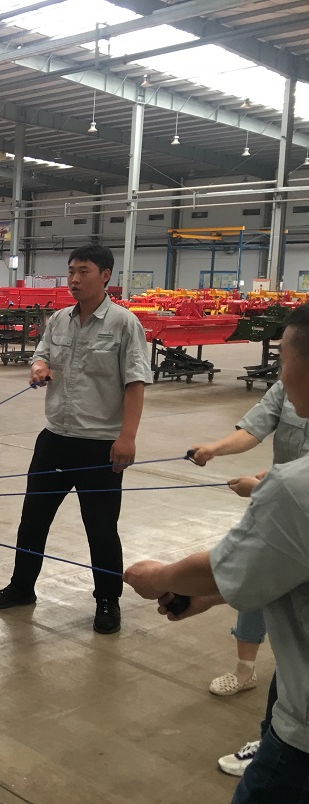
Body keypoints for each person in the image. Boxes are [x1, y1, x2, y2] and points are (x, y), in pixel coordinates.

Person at [124, 306, 309, 804]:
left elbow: (238, 570)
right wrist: (212, 594)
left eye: (285, 357)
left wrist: (161, 577)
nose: (279, 367)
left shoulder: (292, 491)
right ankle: (254, 692)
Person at [0, 245, 150, 635]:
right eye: (71, 271)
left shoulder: (125, 324)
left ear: (105, 275)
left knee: (101, 528)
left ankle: (107, 600)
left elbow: (136, 382)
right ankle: (22, 587)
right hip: (55, 439)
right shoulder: (59, 319)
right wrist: (40, 366)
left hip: (100, 444)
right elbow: (41, 354)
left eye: (83, 271)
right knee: (32, 520)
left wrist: (127, 437)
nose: (74, 279)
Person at [189, 381, 309, 700]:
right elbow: (254, 429)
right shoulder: (287, 385)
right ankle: (245, 669)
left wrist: (258, 489)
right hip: (278, 507)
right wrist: (214, 449)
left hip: (295, 507)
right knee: (255, 572)